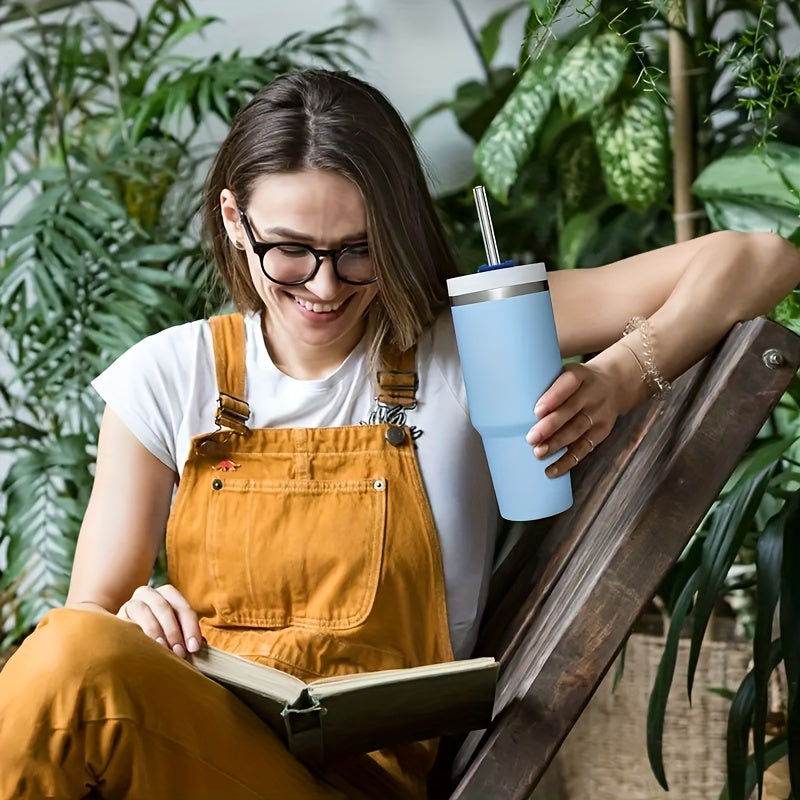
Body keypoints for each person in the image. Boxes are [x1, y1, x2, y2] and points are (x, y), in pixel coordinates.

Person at [0, 68, 798, 800]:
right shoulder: (169, 376)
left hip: (361, 784)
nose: (324, 287)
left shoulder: (467, 342)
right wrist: (138, 613)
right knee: (77, 648)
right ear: (235, 221)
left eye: (358, 251)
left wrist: (620, 375)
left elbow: (761, 257)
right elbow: (87, 628)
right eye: (291, 252)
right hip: (193, 758)